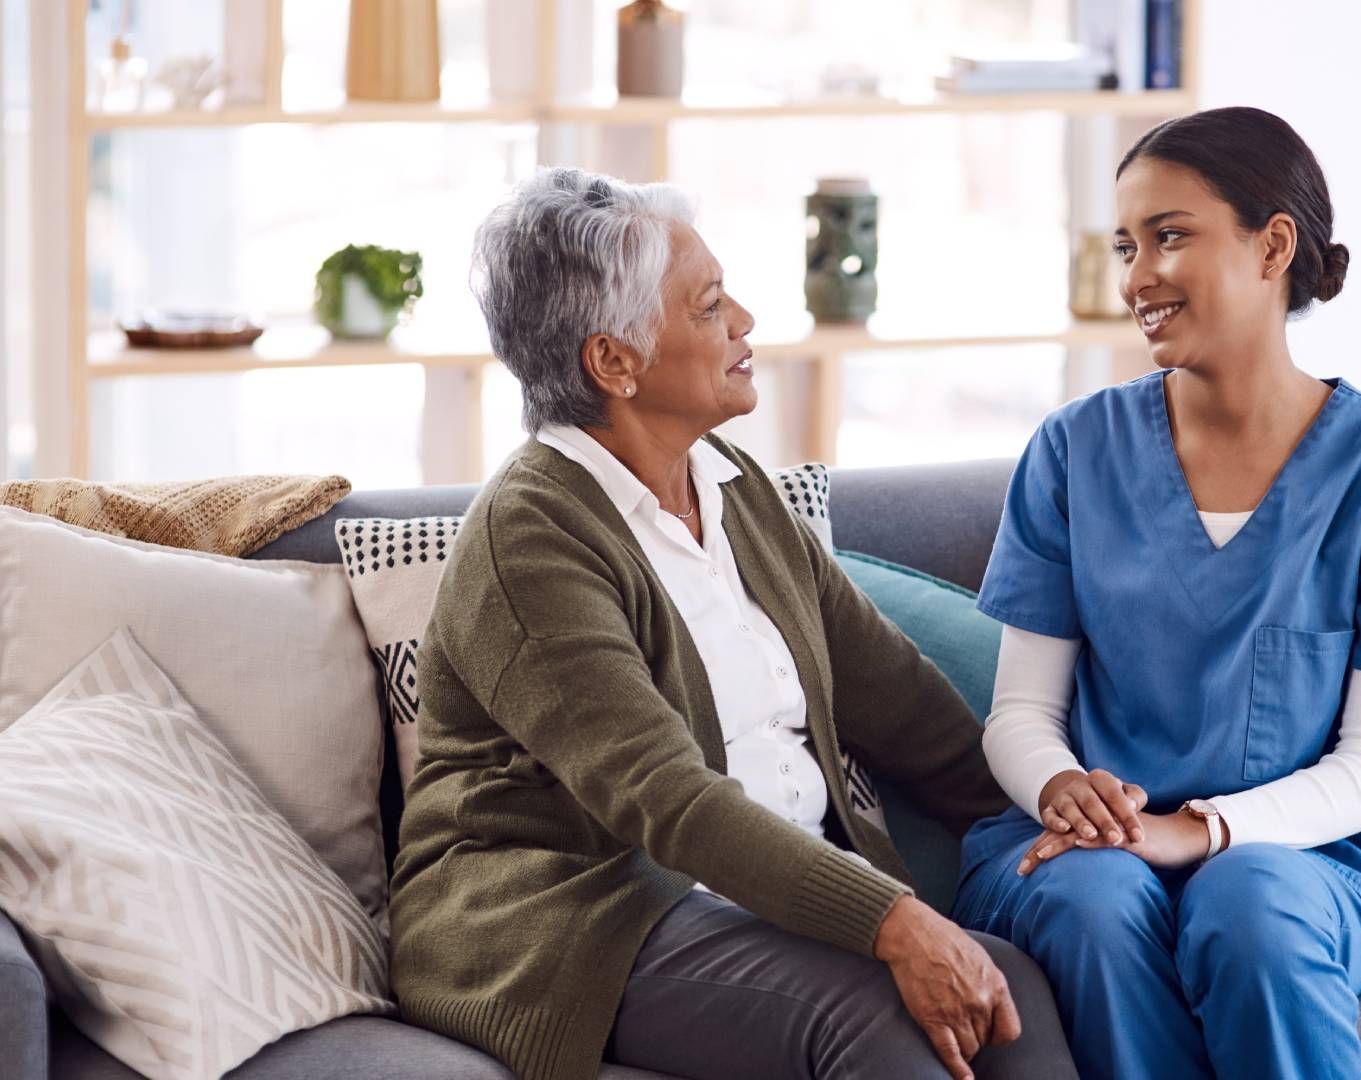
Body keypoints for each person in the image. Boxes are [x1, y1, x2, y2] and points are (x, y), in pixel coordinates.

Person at [388, 167, 1073, 1080]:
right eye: (709, 308)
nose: (745, 321)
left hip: (736, 905)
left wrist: (1055, 809)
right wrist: (891, 922)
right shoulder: (532, 536)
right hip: (575, 916)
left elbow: (903, 706)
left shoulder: (734, 488)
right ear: (614, 362)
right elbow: (667, 798)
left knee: (1013, 989)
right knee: (879, 1019)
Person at [950, 107, 1361, 1080]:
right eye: (1127, 245)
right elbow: (1021, 713)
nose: (1136, 278)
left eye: (1170, 236)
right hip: (1089, 854)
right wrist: (1060, 786)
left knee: (1249, 903)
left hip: (1290, 861)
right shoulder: (1073, 452)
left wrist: (1201, 830)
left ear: (1273, 245)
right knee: (1095, 900)